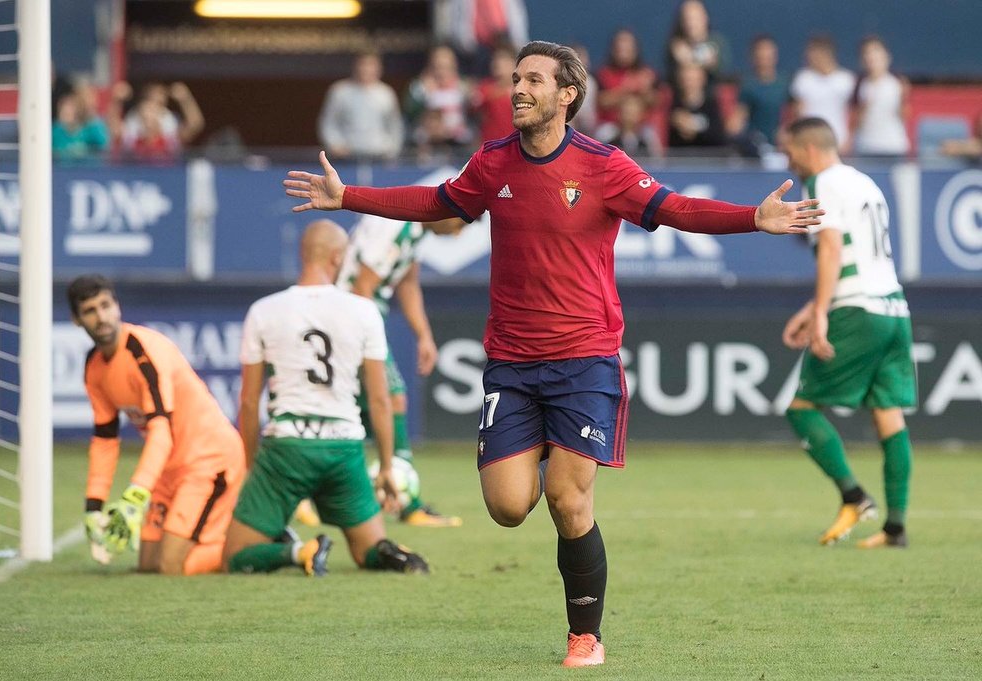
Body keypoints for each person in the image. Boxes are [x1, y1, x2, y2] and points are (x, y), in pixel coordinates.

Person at [283, 40, 820, 667]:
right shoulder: (493, 163)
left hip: (585, 357)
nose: (518, 89)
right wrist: (349, 197)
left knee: (568, 500)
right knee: (509, 507)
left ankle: (584, 635)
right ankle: (549, 451)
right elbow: (438, 204)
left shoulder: (605, 166)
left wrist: (752, 218)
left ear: (567, 95)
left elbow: (675, 209)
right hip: (511, 362)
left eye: (533, 80)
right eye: (515, 78)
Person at [222, 220, 429, 576]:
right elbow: (379, 400)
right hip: (344, 450)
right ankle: (395, 556)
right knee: (368, 552)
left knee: (236, 555)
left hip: (287, 451)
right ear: (338, 256)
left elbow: (248, 400)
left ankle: (300, 551)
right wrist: (386, 468)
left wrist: (252, 465)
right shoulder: (364, 311)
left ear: (302, 255)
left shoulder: (263, 310)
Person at [780, 117, 915, 549]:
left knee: (801, 408)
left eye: (791, 151)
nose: (789, 160)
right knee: (889, 415)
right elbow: (859, 257)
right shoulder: (865, 184)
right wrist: (812, 307)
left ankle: (853, 497)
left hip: (856, 311)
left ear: (808, 149)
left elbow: (833, 249)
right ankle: (895, 529)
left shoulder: (821, 181)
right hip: (893, 309)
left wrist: (821, 311)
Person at [69, 275, 245, 574]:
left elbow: (161, 430)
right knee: (149, 564)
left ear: (117, 306)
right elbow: (105, 440)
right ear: (77, 320)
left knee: (171, 565)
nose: (101, 318)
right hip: (169, 469)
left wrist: (137, 493)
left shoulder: (143, 351)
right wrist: (93, 506)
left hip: (209, 459)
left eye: (105, 305)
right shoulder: (94, 367)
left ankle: (256, 545)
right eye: (90, 311)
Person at [336, 213, 467, 527]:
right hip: (348, 320)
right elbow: (362, 287)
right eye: (461, 223)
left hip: (353, 318)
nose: (459, 234)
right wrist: (369, 344)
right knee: (392, 398)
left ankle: (306, 498)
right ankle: (407, 504)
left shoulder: (415, 228)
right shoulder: (395, 226)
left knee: (345, 409)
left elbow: (407, 283)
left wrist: (423, 334)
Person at [318, 50, 404, 161]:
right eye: (363, 64)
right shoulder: (340, 91)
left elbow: (395, 125)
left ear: (379, 68)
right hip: (347, 157)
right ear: (355, 66)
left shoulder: (386, 93)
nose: (366, 69)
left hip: (380, 156)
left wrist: (393, 150)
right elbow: (328, 123)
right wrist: (335, 144)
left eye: (371, 65)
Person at [790, 35, 856, 153]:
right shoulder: (803, 79)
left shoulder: (846, 80)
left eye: (813, 53)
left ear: (826, 54)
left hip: (840, 143)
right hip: (811, 145)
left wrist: (849, 138)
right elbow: (797, 112)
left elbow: (854, 113)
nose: (808, 57)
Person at [109, 81, 205, 162]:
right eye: (144, 117)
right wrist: (116, 100)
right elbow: (113, 128)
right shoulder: (132, 137)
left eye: (152, 114)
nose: (148, 120)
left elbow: (195, 125)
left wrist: (185, 99)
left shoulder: (170, 137)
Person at [729, 34, 790, 158]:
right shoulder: (748, 86)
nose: (764, 57)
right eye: (760, 53)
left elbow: (795, 114)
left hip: (781, 150)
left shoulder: (785, 84)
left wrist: (787, 133)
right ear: (753, 57)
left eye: (768, 53)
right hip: (756, 151)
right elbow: (736, 122)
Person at [851, 36, 910, 157]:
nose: (871, 56)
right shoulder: (860, 84)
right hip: (866, 146)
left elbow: (905, 115)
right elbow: (855, 121)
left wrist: (903, 99)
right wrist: (865, 107)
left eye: (875, 51)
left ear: (886, 56)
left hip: (893, 146)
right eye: (866, 53)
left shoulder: (897, 83)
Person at [594, 28, 658, 138]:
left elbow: (657, 100)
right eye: (620, 48)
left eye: (627, 48)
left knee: (650, 135)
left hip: (641, 127)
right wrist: (626, 89)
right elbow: (600, 101)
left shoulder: (647, 73)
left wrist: (643, 89)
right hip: (611, 126)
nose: (623, 51)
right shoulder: (603, 74)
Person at [664, 0, 729, 87]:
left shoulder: (717, 43)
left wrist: (689, 57)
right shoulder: (675, 45)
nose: (691, 23)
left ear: (705, 18)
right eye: (687, 18)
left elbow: (719, 68)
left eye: (695, 18)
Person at [668, 62, 726, 152]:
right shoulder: (672, 105)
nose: (689, 83)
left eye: (692, 79)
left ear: (702, 79)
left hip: (709, 160)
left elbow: (719, 136)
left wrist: (695, 129)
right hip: (678, 160)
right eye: (686, 79)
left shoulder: (712, 106)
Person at [472, 43, 517, 143]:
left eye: (504, 61)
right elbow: (473, 107)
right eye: (496, 60)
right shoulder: (484, 88)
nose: (498, 64)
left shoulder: (522, 90)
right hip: (490, 146)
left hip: (516, 147)